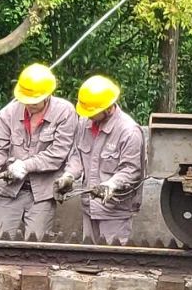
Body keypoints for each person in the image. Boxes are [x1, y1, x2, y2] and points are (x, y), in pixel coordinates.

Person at [0, 64, 78, 238]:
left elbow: (58, 154)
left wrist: (26, 165)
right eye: (26, 99)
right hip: (10, 189)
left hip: (41, 192)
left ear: (48, 95)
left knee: (36, 245)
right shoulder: (9, 114)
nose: (29, 104)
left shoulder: (64, 112)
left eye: (34, 100)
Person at [54, 75, 145, 244]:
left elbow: (131, 171)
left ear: (108, 108)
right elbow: (77, 156)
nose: (88, 116)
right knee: (89, 260)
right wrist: (69, 176)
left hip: (114, 212)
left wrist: (111, 184)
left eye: (92, 113)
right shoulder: (84, 123)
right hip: (89, 208)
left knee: (111, 263)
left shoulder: (128, 131)